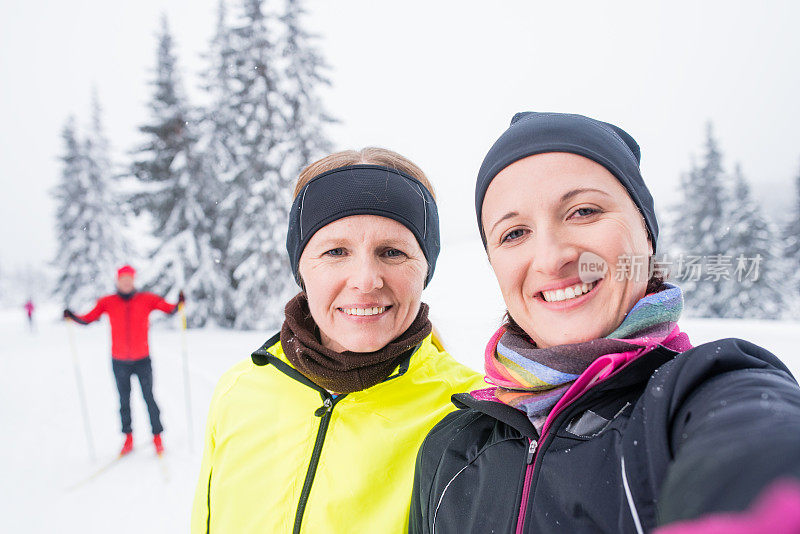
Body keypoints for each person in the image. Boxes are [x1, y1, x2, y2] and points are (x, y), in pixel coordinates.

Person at [409, 112, 800, 533]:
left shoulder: (704, 392)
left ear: (647, 237)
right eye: (515, 233)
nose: (551, 257)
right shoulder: (451, 447)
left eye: (583, 211)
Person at [191, 148, 484, 533]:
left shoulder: (472, 416)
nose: (366, 280)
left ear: (424, 269)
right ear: (301, 267)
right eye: (336, 251)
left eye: (392, 252)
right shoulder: (239, 390)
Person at [64, 265, 184, 456]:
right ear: (117, 281)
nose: (126, 283)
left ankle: (157, 438)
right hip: (119, 361)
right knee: (124, 401)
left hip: (142, 360)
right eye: (123, 279)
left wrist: (179, 303)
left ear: (133, 280)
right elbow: (88, 319)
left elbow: (169, 309)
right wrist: (73, 316)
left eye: (129, 279)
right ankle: (128, 438)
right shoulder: (108, 302)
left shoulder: (147, 299)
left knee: (149, 398)